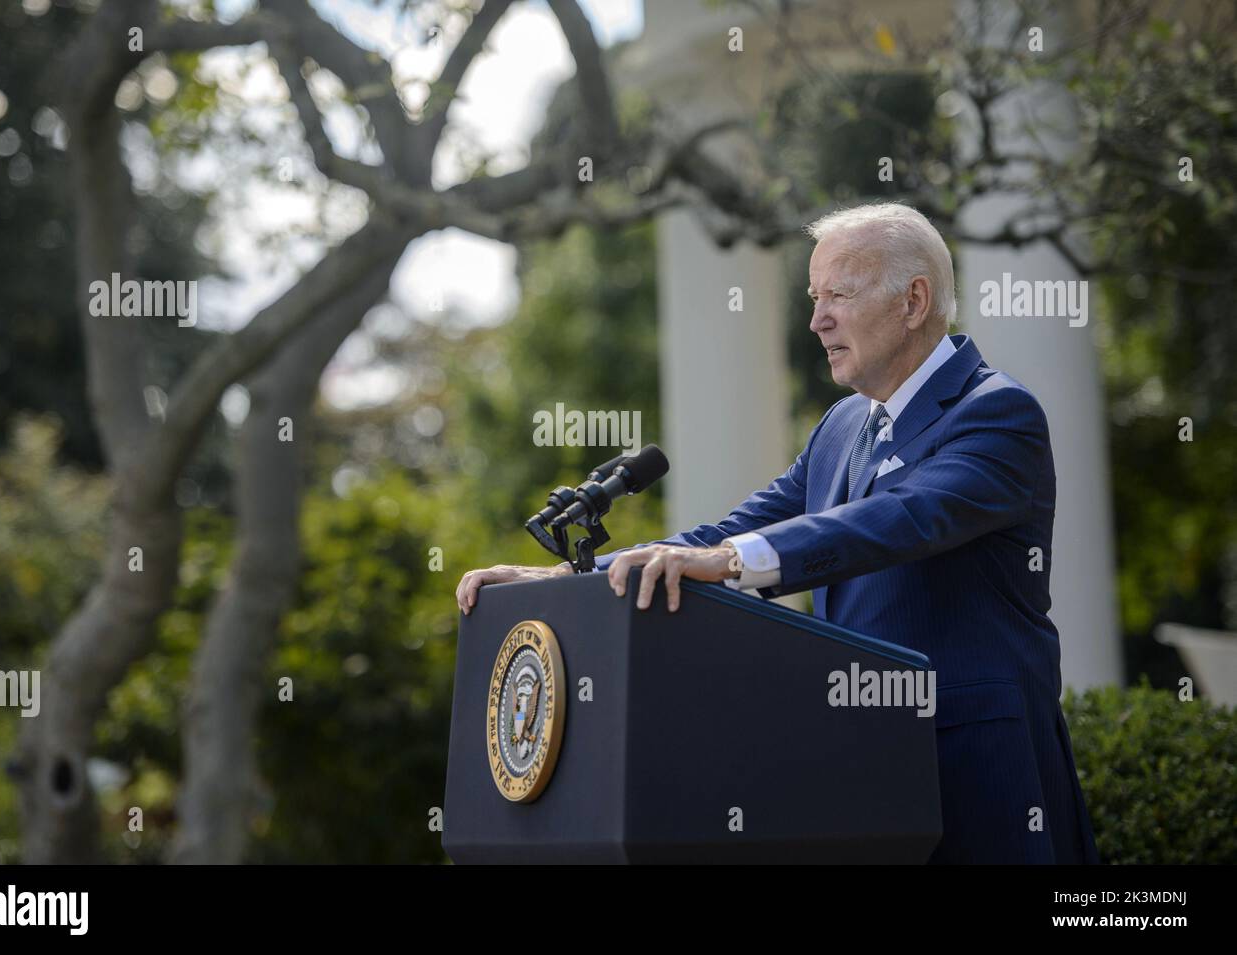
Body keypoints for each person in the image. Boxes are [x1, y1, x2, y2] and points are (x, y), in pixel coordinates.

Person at [456, 202, 1098, 864]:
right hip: (864, 781)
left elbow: (904, 517)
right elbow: (739, 525)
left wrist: (729, 563)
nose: (817, 319)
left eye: (838, 296)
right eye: (814, 297)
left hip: (976, 774)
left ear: (913, 301)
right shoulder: (842, 426)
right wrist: (576, 578)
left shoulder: (996, 412)